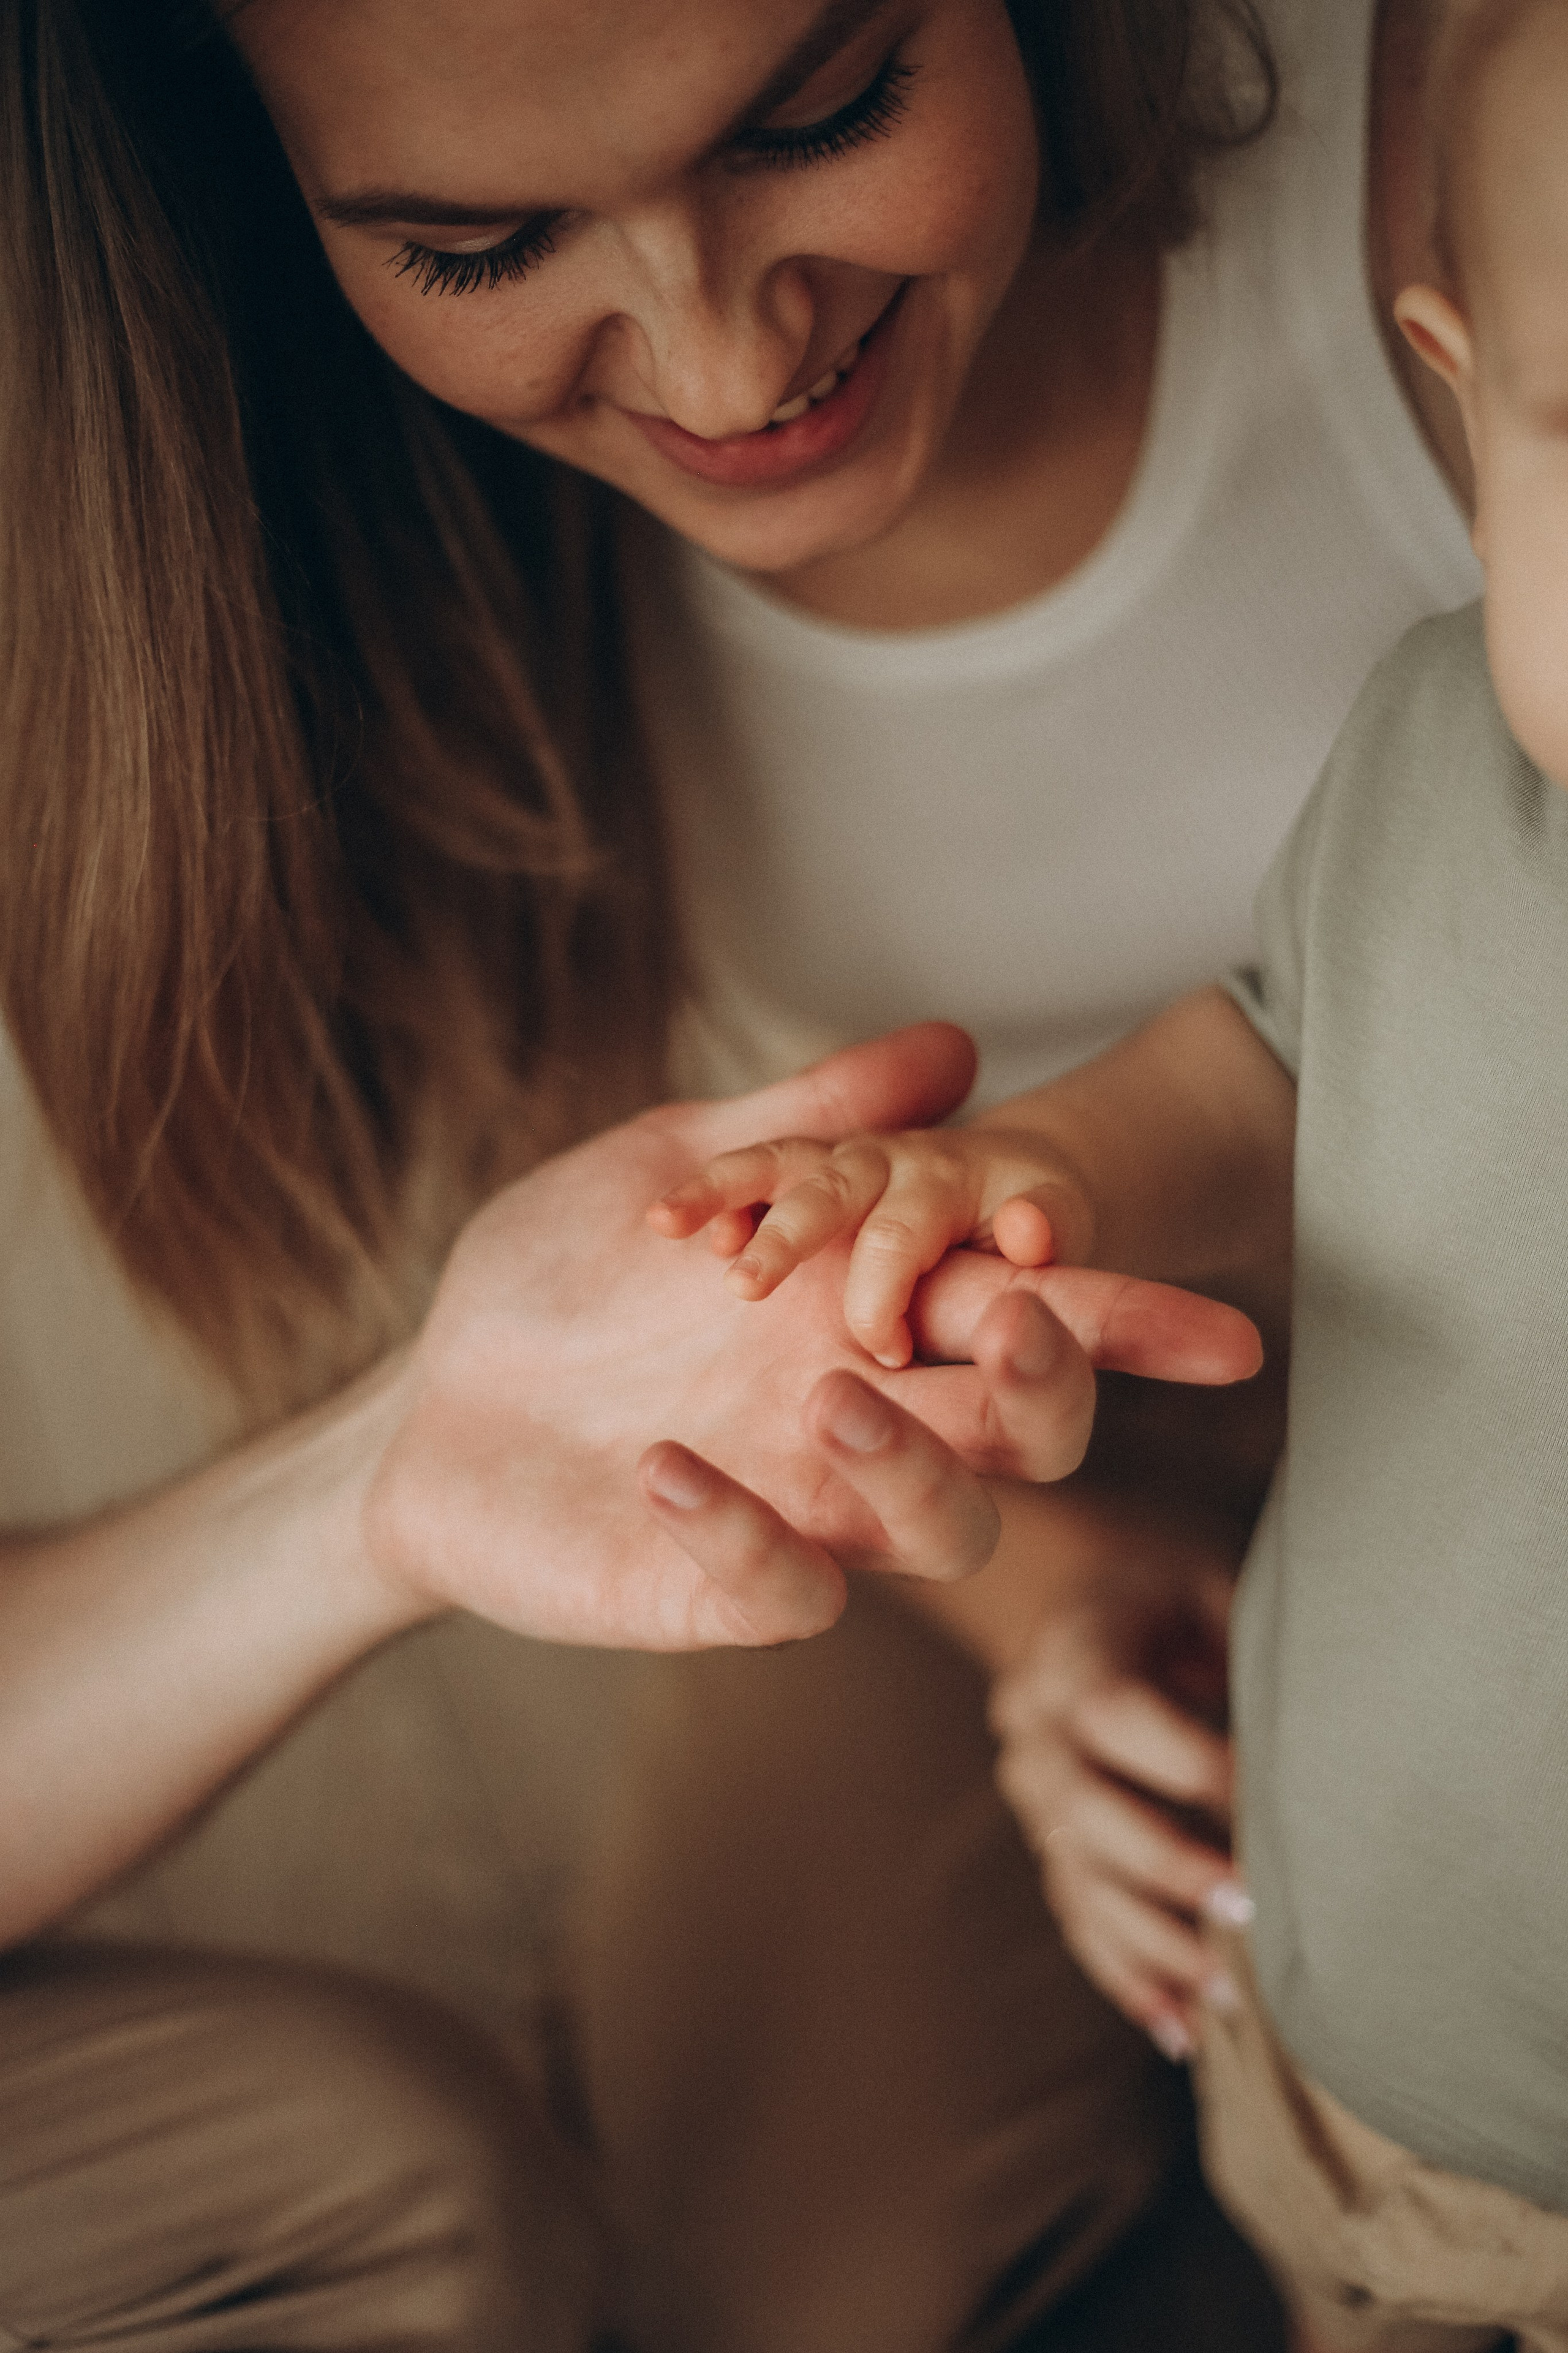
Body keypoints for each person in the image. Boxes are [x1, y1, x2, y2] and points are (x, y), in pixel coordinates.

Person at [0, 0, 1477, 2343]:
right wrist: (1044, 1607)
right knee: (772, 2271)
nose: (723, 352)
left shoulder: (1455, 152)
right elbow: (716, 1316)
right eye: (478, 245)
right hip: (977, 1470)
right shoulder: (384, 547)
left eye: (824, 114)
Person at [662, 4, 1568, 2344]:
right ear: (1468, 403)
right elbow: (1263, 1063)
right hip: (1347, 2046)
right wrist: (1020, 1177)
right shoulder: (1433, 757)